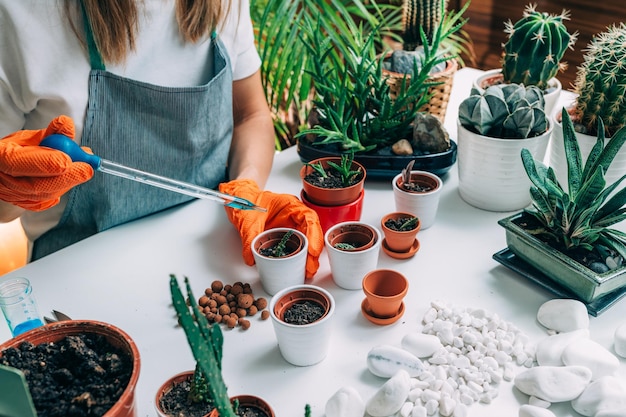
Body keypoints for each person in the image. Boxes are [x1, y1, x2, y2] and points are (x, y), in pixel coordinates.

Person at [0, 0, 323, 278]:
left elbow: (250, 115)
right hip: (78, 268)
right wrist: (15, 187)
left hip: (213, 249)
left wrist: (247, 186)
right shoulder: (19, 15)